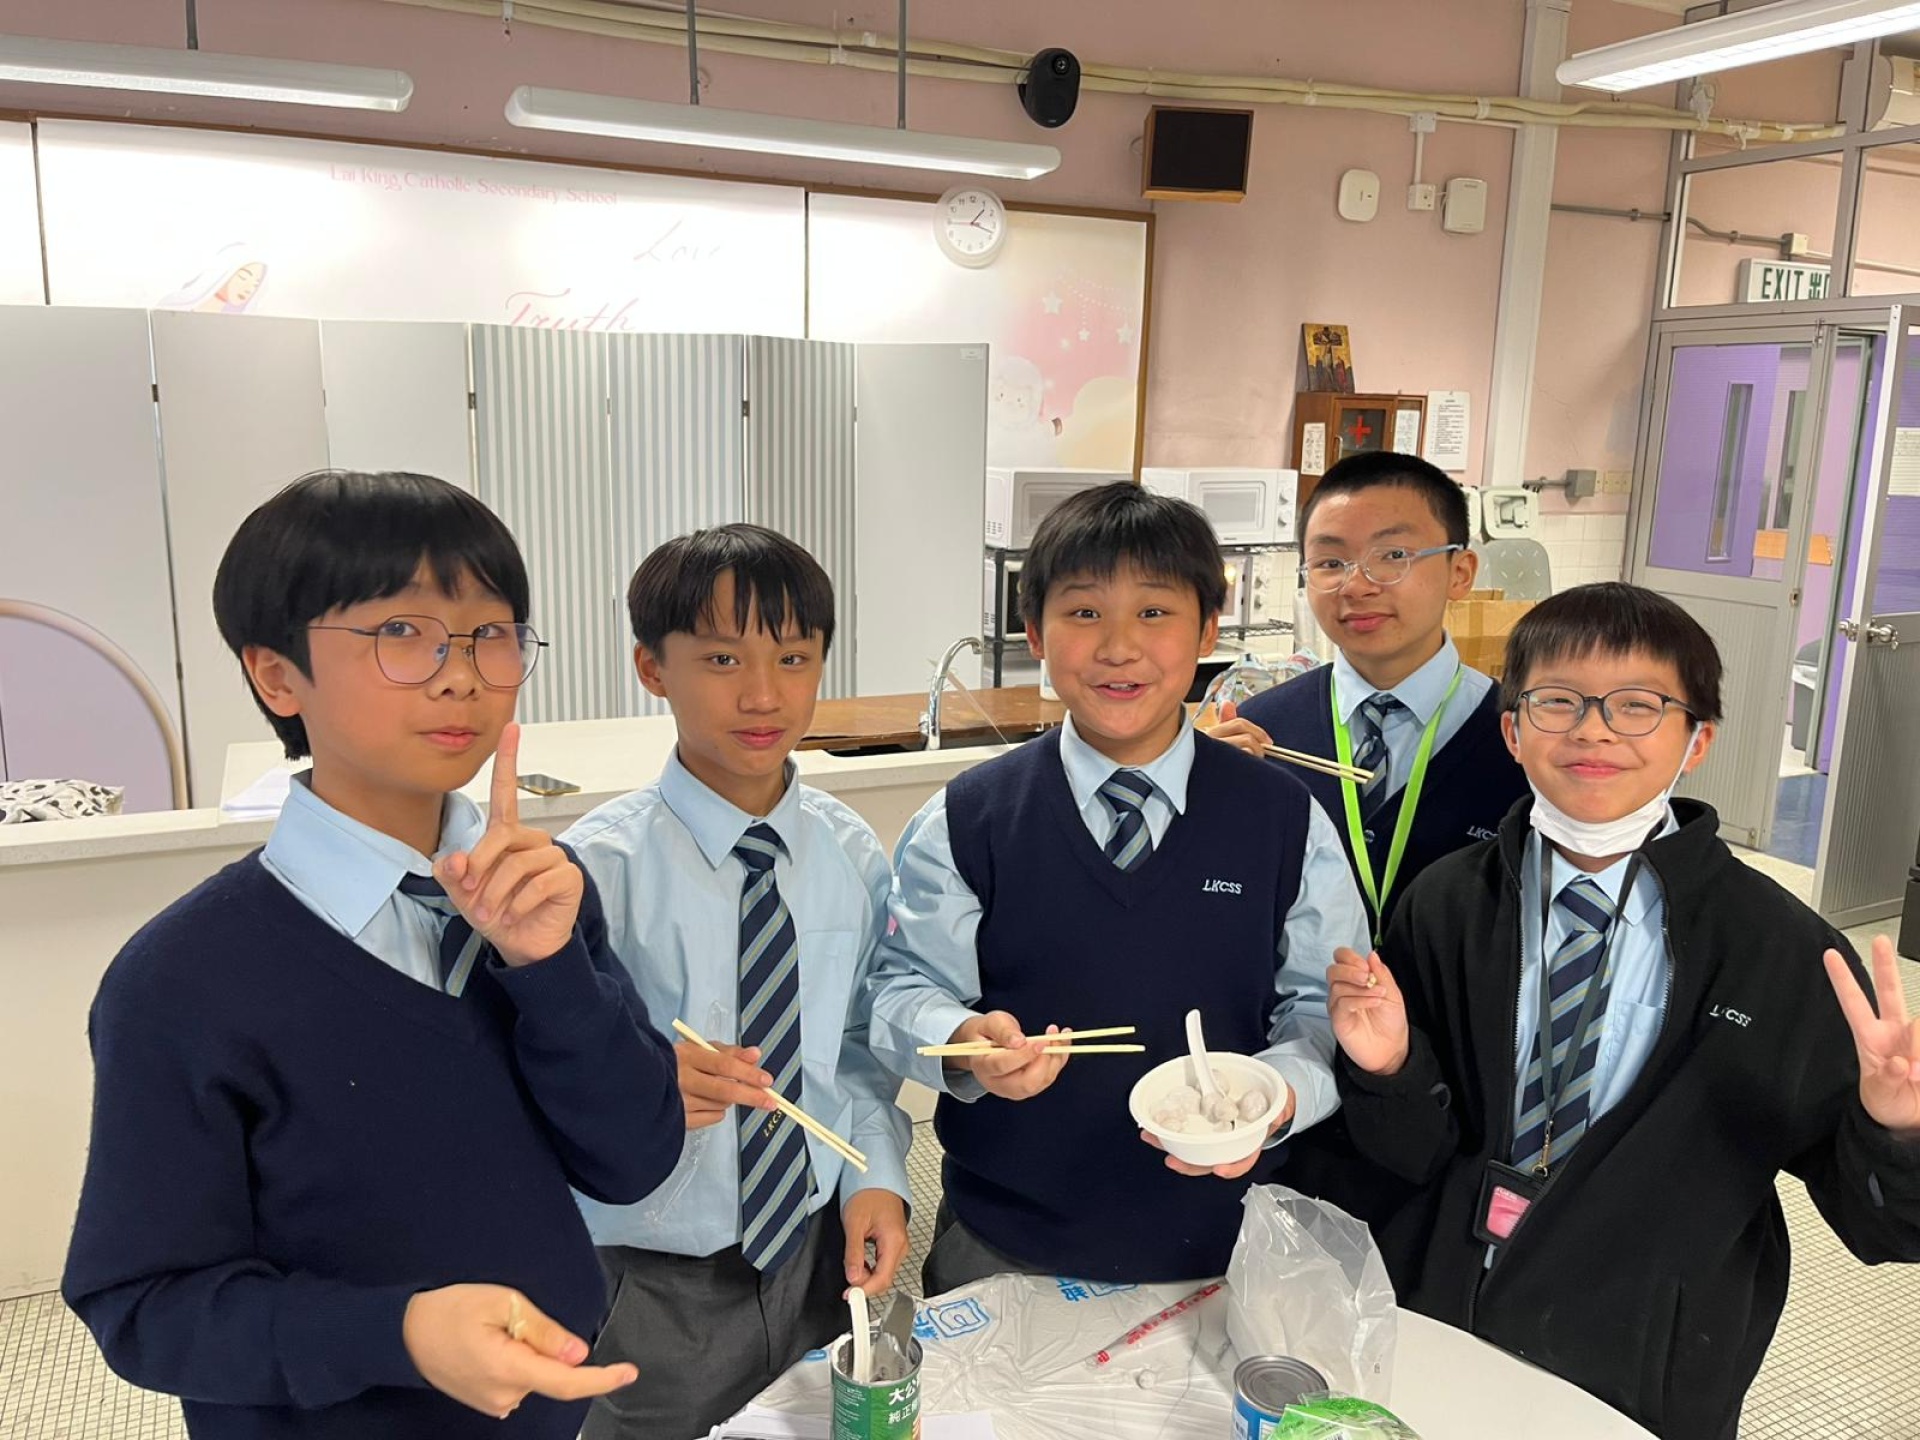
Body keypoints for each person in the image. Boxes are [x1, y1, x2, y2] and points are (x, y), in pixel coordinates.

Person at [61, 470, 685, 1439]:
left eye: (490, 633)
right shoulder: (182, 981)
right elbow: (144, 1307)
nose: (461, 674)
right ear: (277, 676)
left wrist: (551, 972)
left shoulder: (541, 893)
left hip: (544, 1408)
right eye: (401, 631)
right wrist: (397, 1333)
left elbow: (633, 1159)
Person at [1327, 582, 1920, 1440]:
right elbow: (1407, 1152)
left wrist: (1897, 1130)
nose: (1594, 730)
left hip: (1647, 1355)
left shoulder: (1781, 947)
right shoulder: (1445, 904)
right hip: (1441, 1314)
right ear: (1512, 731)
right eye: (1559, 702)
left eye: (1638, 706)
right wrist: (1389, 1069)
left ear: (1697, 741)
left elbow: (1884, 1227)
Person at [867, 481, 1367, 1292]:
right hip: (1006, 1236)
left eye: (1155, 612)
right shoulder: (969, 817)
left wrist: (1277, 1098)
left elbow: (1321, 1007)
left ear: (1208, 630)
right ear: (1035, 632)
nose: (1120, 647)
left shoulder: (1283, 817)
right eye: (1085, 612)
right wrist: (962, 1039)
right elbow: (899, 988)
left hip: (1230, 1241)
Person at [563, 524, 911, 1439]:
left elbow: (856, 1052)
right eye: (721, 659)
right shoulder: (594, 873)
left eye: (794, 658)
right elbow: (541, 1084)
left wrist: (874, 1177)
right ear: (652, 668)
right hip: (644, 1276)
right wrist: (641, 1085)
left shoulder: (850, 853)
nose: (763, 695)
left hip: (812, 1249)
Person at [1223, 451, 1526, 934]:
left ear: (1460, 572)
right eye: (1330, 562)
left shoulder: (1522, 739)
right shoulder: (1262, 730)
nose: (1357, 586)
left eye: (1394, 556)